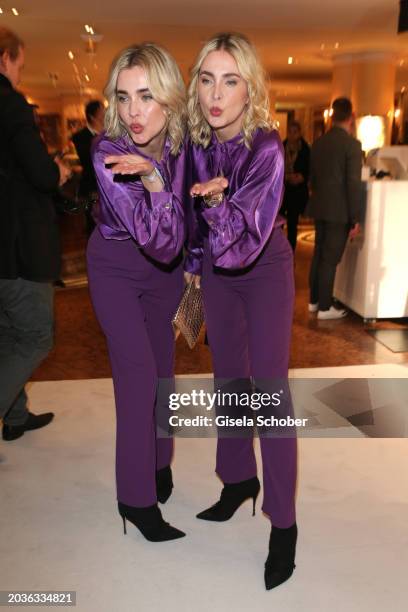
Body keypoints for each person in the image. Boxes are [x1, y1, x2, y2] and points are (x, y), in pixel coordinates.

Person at [185, 33, 297, 590]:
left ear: (248, 86)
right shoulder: (198, 143)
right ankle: (237, 482)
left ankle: (284, 522)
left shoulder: (266, 148)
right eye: (207, 79)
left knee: (269, 391)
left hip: (262, 267)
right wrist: (190, 276)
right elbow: (197, 234)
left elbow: (242, 239)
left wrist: (215, 202)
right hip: (217, 272)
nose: (216, 93)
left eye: (229, 80)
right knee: (228, 379)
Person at [86, 43, 188, 542]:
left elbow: (185, 235)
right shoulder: (107, 151)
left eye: (146, 96)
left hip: (164, 277)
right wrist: (151, 179)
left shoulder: (181, 145)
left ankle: (159, 461)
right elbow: (156, 238)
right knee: (138, 375)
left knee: (164, 372)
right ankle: (135, 498)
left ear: (168, 98)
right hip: (116, 268)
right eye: (123, 97)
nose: (133, 111)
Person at [0, 27, 71, 441]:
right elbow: (41, 174)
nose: (20, 74)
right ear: (5, 59)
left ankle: (16, 415)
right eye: (19, 65)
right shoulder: (11, 107)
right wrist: (57, 171)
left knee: (8, 331)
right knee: (36, 335)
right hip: (17, 247)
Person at [308, 97, 362, 319]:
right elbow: (353, 184)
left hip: (320, 207)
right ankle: (324, 307)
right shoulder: (352, 145)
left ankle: (314, 301)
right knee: (330, 259)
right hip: (339, 211)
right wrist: (355, 217)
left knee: (319, 255)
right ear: (351, 117)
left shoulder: (319, 143)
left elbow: (313, 178)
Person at [72, 100, 105, 236]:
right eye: (102, 110)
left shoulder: (110, 134)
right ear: (92, 116)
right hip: (92, 186)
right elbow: (89, 160)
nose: (105, 113)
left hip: (110, 187)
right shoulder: (79, 137)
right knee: (93, 224)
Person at [280, 120, 310, 251]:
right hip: (283, 192)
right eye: (290, 132)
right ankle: (278, 251)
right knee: (278, 224)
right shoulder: (282, 146)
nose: (292, 135)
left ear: (299, 133)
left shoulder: (305, 149)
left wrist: (301, 177)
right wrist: (285, 177)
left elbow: (309, 169)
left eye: (295, 132)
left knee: (293, 225)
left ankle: (291, 252)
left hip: (297, 193)